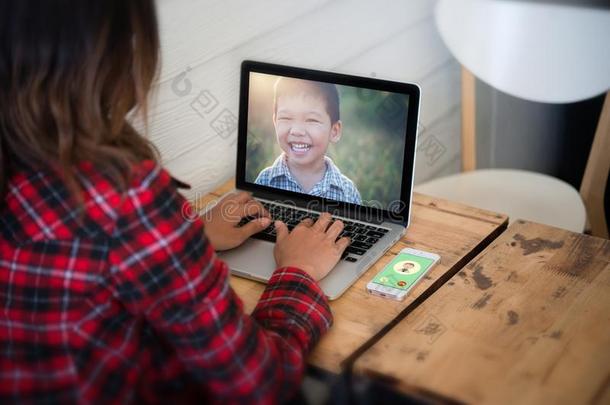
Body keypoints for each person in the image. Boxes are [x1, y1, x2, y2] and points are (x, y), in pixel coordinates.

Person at [0, 1, 350, 403]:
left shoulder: (25, 163)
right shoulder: (125, 198)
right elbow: (258, 385)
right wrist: (299, 271)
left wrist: (189, 234)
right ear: (108, 56)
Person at [255, 77, 362, 204]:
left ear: (334, 131)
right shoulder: (265, 180)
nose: (297, 131)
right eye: (286, 118)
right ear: (275, 122)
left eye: (311, 120)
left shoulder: (347, 192)